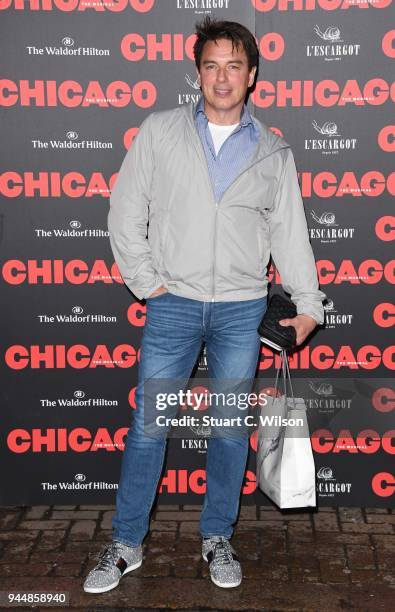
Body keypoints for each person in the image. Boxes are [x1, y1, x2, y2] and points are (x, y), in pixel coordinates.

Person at [83, 16, 326, 593]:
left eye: (233, 66)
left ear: (252, 75)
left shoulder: (272, 151)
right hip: (173, 304)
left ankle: (217, 536)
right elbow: (125, 213)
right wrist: (149, 283)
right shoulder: (161, 131)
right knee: (149, 427)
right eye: (211, 65)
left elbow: (291, 232)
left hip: (244, 309)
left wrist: (310, 303)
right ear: (198, 72)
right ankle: (125, 545)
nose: (222, 77)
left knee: (226, 430)